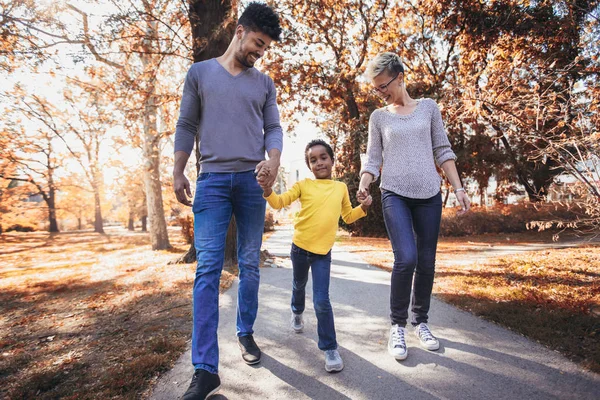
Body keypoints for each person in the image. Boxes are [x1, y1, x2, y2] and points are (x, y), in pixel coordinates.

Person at [172, 3, 283, 399]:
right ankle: (205, 369)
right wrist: (179, 169)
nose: (259, 52)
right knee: (207, 269)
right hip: (213, 182)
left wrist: (273, 161)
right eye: (257, 43)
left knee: (250, 262)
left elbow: (273, 127)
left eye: (265, 48)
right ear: (240, 31)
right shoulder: (199, 73)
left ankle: (246, 333)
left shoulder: (264, 83)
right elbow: (186, 124)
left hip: (253, 183)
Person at [358, 52, 471, 361]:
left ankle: (421, 321)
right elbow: (373, 159)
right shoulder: (379, 117)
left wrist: (458, 188)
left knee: (427, 261)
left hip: (428, 195)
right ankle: (397, 325)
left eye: (384, 86)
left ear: (400, 77)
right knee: (406, 258)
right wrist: (364, 183)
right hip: (394, 193)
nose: (380, 92)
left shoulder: (429, 108)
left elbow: (442, 150)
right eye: (377, 88)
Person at [258, 139, 372, 372]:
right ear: (309, 165)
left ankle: (329, 348)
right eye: (313, 160)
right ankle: (297, 312)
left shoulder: (340, 187)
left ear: (332, 160)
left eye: (323, 157)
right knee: (298, 286)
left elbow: (348, 216)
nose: (319, 162)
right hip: (299, 249)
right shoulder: (303, 185)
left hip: (323, 254)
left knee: (322, 300)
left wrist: (364, 208)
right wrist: (268, 190)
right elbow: (280, 202)